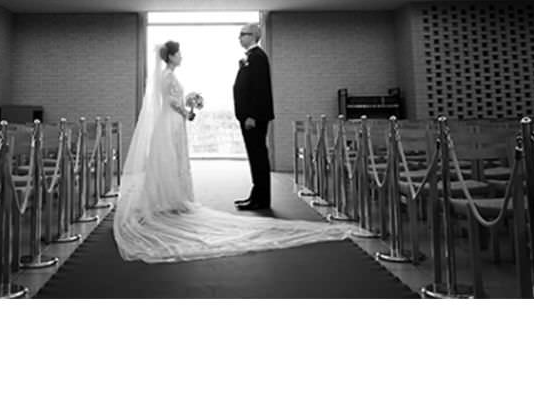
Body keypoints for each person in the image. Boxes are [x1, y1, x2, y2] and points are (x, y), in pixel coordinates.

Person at [113, 38, 363, 263]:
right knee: (168, 158)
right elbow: (169, 101)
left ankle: (173, 197)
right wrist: (186, 110)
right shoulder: (167, 76)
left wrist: (187, 106)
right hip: (171, 120)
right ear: (171, 56)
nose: (182, 57)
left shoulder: (175, 73)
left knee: (172, 158)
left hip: (173, 121)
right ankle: (167, 199)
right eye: (179, 53)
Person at [233, 22, 274, 210]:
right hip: (248, 117)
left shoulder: (257, 57)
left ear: (253, 36)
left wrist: (252, 116)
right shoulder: (251, 57)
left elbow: (259, 90)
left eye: (243, 34)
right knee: (255, 157)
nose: (239, 37)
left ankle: (262, 199)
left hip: (253, 118)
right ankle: (257, 194)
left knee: (258, 157)